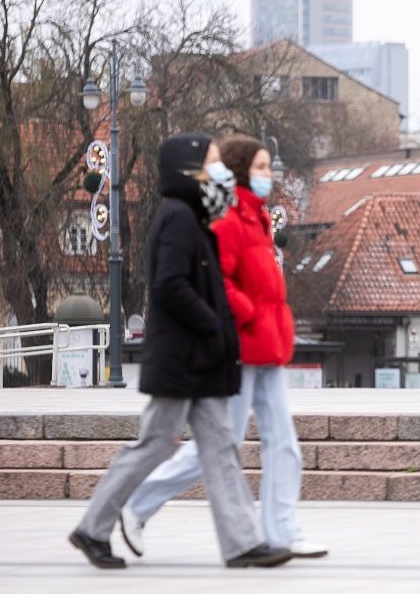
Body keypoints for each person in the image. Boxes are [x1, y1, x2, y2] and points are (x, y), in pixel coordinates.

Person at [68, 134, 292, 569]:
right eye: (212, 163)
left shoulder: (195, 216)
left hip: (200, 361)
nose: (221, 171)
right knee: (153, 445)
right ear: (190, 170)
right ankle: (92, 528)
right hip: (181, 361)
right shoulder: (177, 218)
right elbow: (169, 285)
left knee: (221, 447)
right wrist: (212, 323)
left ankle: (243, 543)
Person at [119, 135, 327, 560]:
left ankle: (283, 531)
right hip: (240, 349)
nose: (272, 175)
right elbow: (219, 283)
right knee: (217, 448)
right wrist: (249, 315)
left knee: (283, 443)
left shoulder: (258, 220)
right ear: (241, 171)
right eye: (263, 167)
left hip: (266, 348)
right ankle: (136, 505)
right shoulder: (229, 220)